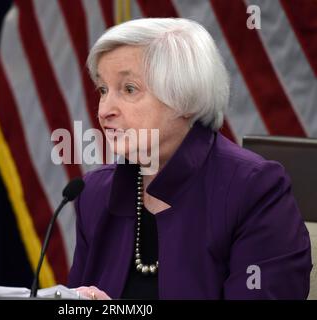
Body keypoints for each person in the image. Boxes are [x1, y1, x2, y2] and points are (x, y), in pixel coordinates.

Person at [68, 18, 312, 300]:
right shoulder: (95, 193)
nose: (105, 110)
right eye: (103, 90)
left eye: (129, 89)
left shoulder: (254, 190)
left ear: (185, 98)